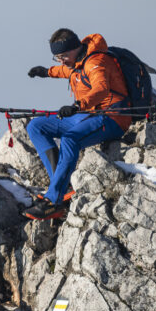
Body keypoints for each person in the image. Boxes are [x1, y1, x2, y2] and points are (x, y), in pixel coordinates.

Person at [23, 28, 131, 219]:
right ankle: (62, 185)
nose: (61, 60)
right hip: (87, 114)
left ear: (75, 48)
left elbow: (101, 89)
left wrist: (78, 105)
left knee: (69, 139)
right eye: (57, 57)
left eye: (63, 55)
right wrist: (46, 72)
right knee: (36, 126)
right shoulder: (77, 61)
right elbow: (67, 70)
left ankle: (53, 201)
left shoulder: (96, 62)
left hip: (111, 117)